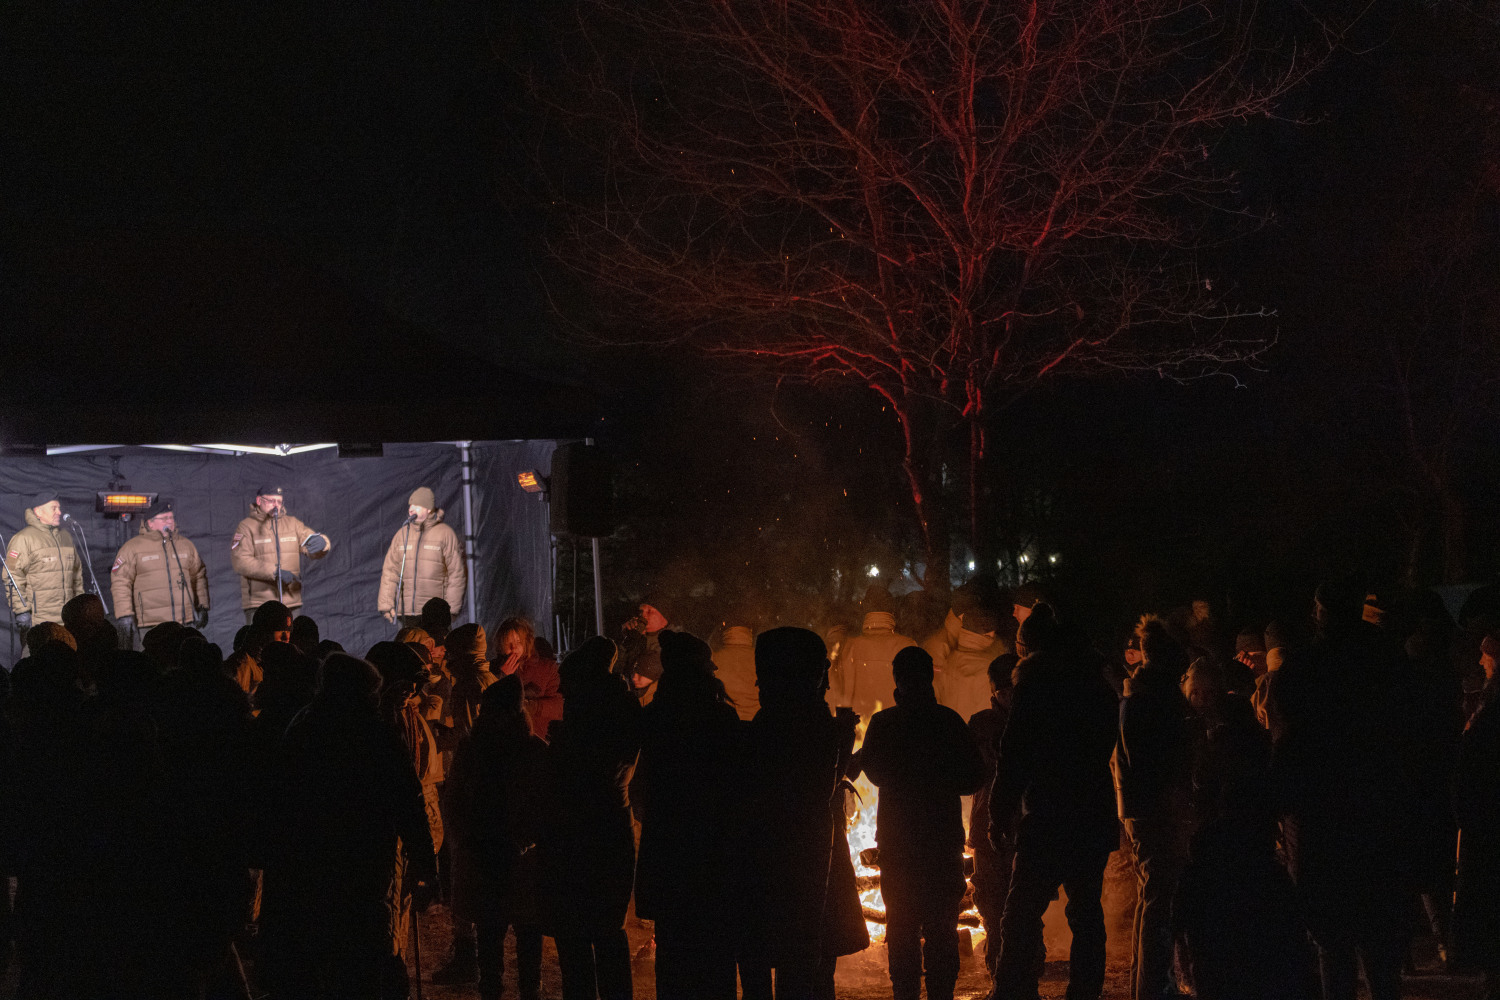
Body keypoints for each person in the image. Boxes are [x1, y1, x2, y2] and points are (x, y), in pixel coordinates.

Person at [258, 653, 437, 999]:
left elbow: (278, 796)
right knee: (360, 961)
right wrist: (425, 862)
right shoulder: (374, 733)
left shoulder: (303, 727)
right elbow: (408, 800)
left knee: (318, 962)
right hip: (363, 868)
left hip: (309, 870)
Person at [1265, 580, 1411, 1000]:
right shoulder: (1388, 663)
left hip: (1321, 826)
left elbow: (1286, 749)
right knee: (1380, 949)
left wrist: (1276, 810)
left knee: (1333, 945)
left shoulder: (1300, 669)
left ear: (1321, 613)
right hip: (1380, 820)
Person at [990, 605, 1119, 1000]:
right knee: (1086, 912)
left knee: (1020, 913)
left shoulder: (1035, 685)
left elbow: (1015, 754)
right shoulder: (1098, 684)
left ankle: (1013, 990)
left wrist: (999, 812)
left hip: (1047, 814)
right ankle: (1085, 992)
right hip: (1092, 813)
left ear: (1030, 647)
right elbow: (1103, 746)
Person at [860, 647, 986, 1000]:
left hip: (898, 842)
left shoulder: (885, 723)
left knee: (901, 927)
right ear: (930, 677)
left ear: (896, 680)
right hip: (941, 840)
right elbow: (972, 778)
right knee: (942, 926)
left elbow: (875, 774)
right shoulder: (948, 721)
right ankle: (941, 994)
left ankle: (905, 993)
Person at [739, 627, 847, 1000]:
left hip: (770, 845)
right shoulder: (815, 724)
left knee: (765, 945)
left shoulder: (770, 725)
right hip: (806, 846)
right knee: (798, 948)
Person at [635, 630, 742, 1000]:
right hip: (714, 854)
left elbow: (642, 792)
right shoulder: (722, 719)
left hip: (669, 851)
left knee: (675, 953)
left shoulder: (653, 718)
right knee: (715, 952)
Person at [539, 636, 643, 1000]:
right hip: (613, 825)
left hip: (579, 830)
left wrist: (560, 746)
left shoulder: (589, 717)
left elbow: (582, 773)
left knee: (576, 934)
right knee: (606, 930)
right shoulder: (626, 707)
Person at [444, 675, 550, 1000]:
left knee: (527, 936)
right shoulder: (474, 750)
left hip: (520, 858)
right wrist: (463, 837)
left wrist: (528, 836)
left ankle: (529, 991)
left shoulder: (532, 751)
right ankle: (493, 990)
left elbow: (546, 803)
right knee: (490, 938)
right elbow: (455, 799)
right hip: (486, 855)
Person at [1114, 616, 1194, 1000]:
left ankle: (1147, 984)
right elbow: (1152, 761)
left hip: (1147, 810)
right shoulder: (1152, 698)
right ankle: (1152, 988)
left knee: (1154, 899)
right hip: (1155, 811)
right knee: (1158, 900)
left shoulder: (1142, 693)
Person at [1452, 632, 1500, 999]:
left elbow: (1477, 751)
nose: (1481, 662)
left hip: (1487, 815)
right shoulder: (1489, 697)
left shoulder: (1493, 702)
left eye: (1486, 656)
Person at [967, 652, 1018, 986]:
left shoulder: (1034, 720)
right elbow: (968, 776)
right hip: (988, 825)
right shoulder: (982, 723)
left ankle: (1020, 976)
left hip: (1023, 826)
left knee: (1021, 903)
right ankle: (1002, 975)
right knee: (991, 901)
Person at [110, 498, 210, 643]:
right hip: (151, 625)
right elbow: (120, 581)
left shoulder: (186, 545)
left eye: (171, 517)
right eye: (164, 518)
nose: (169, 521)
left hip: (184, 622)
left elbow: (199, 575)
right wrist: (125, 614)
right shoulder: (132, 548)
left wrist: (202, 606)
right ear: (150, 523)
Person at [229, 487, 331, 623]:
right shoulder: (245, 527)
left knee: (291, 642)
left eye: (279, 501)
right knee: (261, 642)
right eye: (271, 501)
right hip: (260, 605)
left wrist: (323, 543)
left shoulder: (293, 524)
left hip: (291, 602)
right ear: (259, 500)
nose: (276, 505)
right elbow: (240, 561)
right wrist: (275, 572)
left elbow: (310, 540)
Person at [377, 487, 466, 627]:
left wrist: (451, 610)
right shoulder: (402, 535)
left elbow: (456, 574)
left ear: (428, 509)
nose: (411, 509)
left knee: (433, 648)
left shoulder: (445, 534)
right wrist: (386, 605)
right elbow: (390, 571)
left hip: (435, 615)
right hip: (406, 615)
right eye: (410, 505)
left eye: (417, 506)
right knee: (407, 648)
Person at [836, 584, 916, 721]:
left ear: (864, 607)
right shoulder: (907, 646)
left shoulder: (850, 647)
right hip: (897, 733)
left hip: (859, 735)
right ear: (892, 609)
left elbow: (842, 697)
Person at [6, 492, 83, 631]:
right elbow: (11, 575)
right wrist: (21, 610)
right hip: (40, 621)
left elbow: (77, 574)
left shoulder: (66, 537)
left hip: (69, 621)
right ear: (38, 512)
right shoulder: (22, 539)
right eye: (54, 508)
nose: (59, 512)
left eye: (59, 508)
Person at [494, 616, 564, 740]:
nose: (514, 648)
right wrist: (501, 678)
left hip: (538, 740)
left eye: (518, 642)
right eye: (508, 643)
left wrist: (532, 707)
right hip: (506, 741)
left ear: (527, 642)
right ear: (500, 644)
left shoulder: (547, 668)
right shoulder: (493, 670)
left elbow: (559, 707)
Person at [936, 608, 1011, 722]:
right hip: (976, 733)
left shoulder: (950, 659)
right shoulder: (988, 667)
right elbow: (990, 714)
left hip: (953, 729)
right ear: (987, 633)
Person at [713, 618, 760, 721]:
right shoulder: (763, 658)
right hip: (761, 726)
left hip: (729, 727)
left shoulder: (714, 659)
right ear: (750, 631)